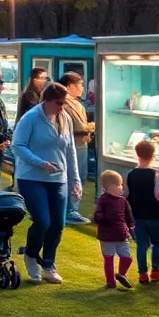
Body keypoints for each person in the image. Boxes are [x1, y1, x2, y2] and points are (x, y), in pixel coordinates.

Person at [12, 81, 81, 285]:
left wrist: (75, 180)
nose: (62, 107)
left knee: (58, 223)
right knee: (43, 221)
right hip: (31, 177)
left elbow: (70, 151)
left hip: (58, 178)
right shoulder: (31, 118)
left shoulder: (65, 118)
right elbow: (18, 146)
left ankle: (48, 263)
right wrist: (41, 163)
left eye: (64, 103)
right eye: (59, 103)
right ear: (48, 100)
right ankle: (31, 255)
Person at [126, 140, 159, 283]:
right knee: (158, 242)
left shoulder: (131, 174)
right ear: (153, 156)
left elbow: (127, 195)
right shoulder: (155, 174)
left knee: (142, 244)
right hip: (153, 215)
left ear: (137, 155)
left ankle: (142, 273)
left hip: (137, 215)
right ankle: (155, 270)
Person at [93, 170, 135, 289]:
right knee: (109, 259)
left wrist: (131, 226)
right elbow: (98, 214)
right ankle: (110, 282)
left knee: (127, 258)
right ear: (108, 186)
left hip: (121, 234)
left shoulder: (123, 201)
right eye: (118, 184)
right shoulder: (103, 200)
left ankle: (121, 274)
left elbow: (128, 215)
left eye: (121, 184)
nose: (120, 187)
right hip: (106, 236)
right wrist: (102, 219)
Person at [61, 72, 93, 225]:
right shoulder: (64, 103)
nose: (82, 88)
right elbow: (76, 127)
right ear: (69, 86)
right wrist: (89, 127)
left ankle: (71, 208)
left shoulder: (77, 103)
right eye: (79, 85)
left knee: (81, 175)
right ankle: (70, 210)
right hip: (73, 145)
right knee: (74, 177)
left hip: (82, 145)